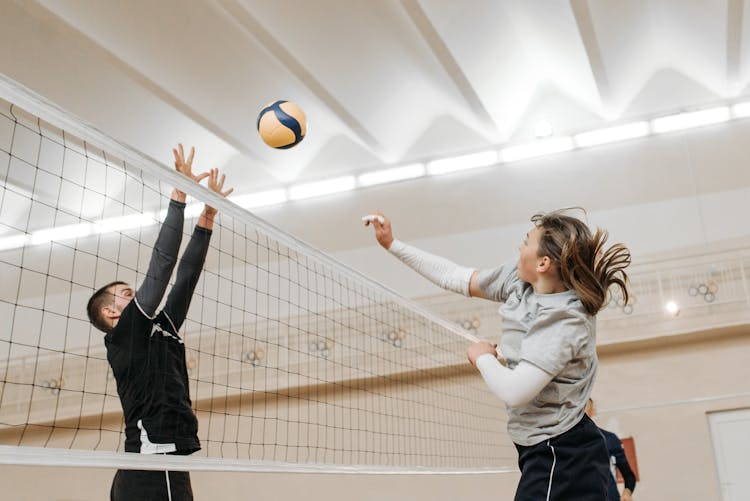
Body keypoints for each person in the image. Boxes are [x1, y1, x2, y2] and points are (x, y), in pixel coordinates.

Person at [365, 208, 630, 501]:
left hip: (563, 453)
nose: (520, 247)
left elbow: (515, 391)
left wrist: (482, 357)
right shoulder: (520, 282)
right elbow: (455, 277)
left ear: (543, 262)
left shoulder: (565, 321)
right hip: (544, 450)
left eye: (526, 242)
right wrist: (393, 244)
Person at [86, 144, 233, 501]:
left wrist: (208, 216)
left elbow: (185, 278)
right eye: (125, 293)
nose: (135, 295)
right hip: (154, 463)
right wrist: (179, 195)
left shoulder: (162, 328)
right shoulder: (125, 335)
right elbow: (162, 265)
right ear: (111, 313)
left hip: (157, 464)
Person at [586, 398, 637, 501]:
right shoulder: (562, 443)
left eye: (584, 406)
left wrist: (627, 492)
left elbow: (628, 475)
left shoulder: (609, 439)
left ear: (592, 410)